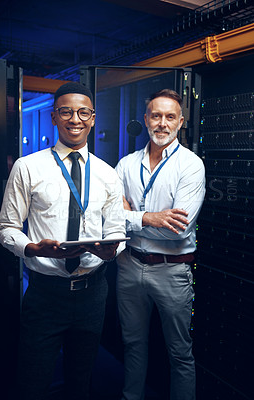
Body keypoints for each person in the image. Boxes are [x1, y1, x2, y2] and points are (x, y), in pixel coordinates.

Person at [0, 82, 126, 400]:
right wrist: (31, 247)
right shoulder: (28, 167)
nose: (75, 119)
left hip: (93, 293)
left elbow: (116, 229)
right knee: (32, 380)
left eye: (83, 112)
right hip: (45, 295)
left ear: (93, 118)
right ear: (54, 117)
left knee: (80, 381)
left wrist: (111, 248)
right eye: (66, 111)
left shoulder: (108, 174)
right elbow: (6, 227)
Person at [115, 88, 205, 400]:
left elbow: (178, 231)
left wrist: (132, 217)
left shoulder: (191, 166)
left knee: (179, 353)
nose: (162, 123)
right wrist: (151, 218)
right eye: (156, 115)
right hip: (129, 266)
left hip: (172, 272)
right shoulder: (126, 165)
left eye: (170, 117)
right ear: (146, 120)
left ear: (181, 122)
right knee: (132, 344)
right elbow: (108, 218)